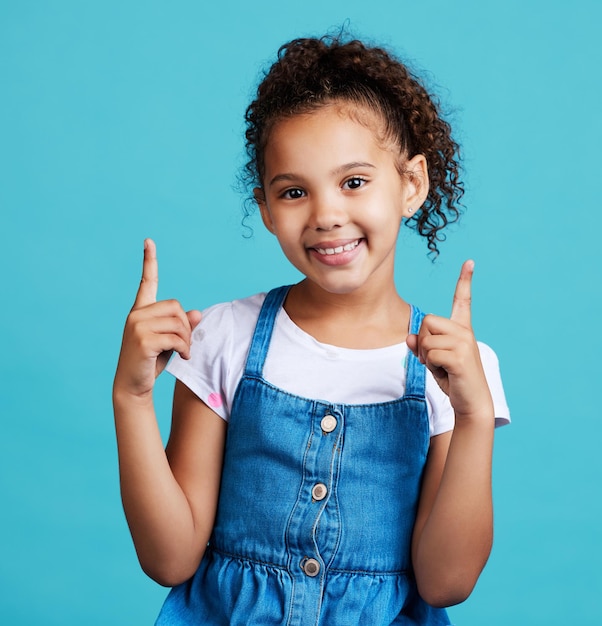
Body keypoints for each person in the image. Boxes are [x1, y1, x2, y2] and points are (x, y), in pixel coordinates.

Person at [113, 34, 510, 625]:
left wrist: (474, 416)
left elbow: (446, 582)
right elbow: (169, 560)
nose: (326, 214)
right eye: (295, 191)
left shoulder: (457, 369)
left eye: (353, 182)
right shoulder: (223, 339)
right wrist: (132, 397)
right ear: (268, 209)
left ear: (411, 185)